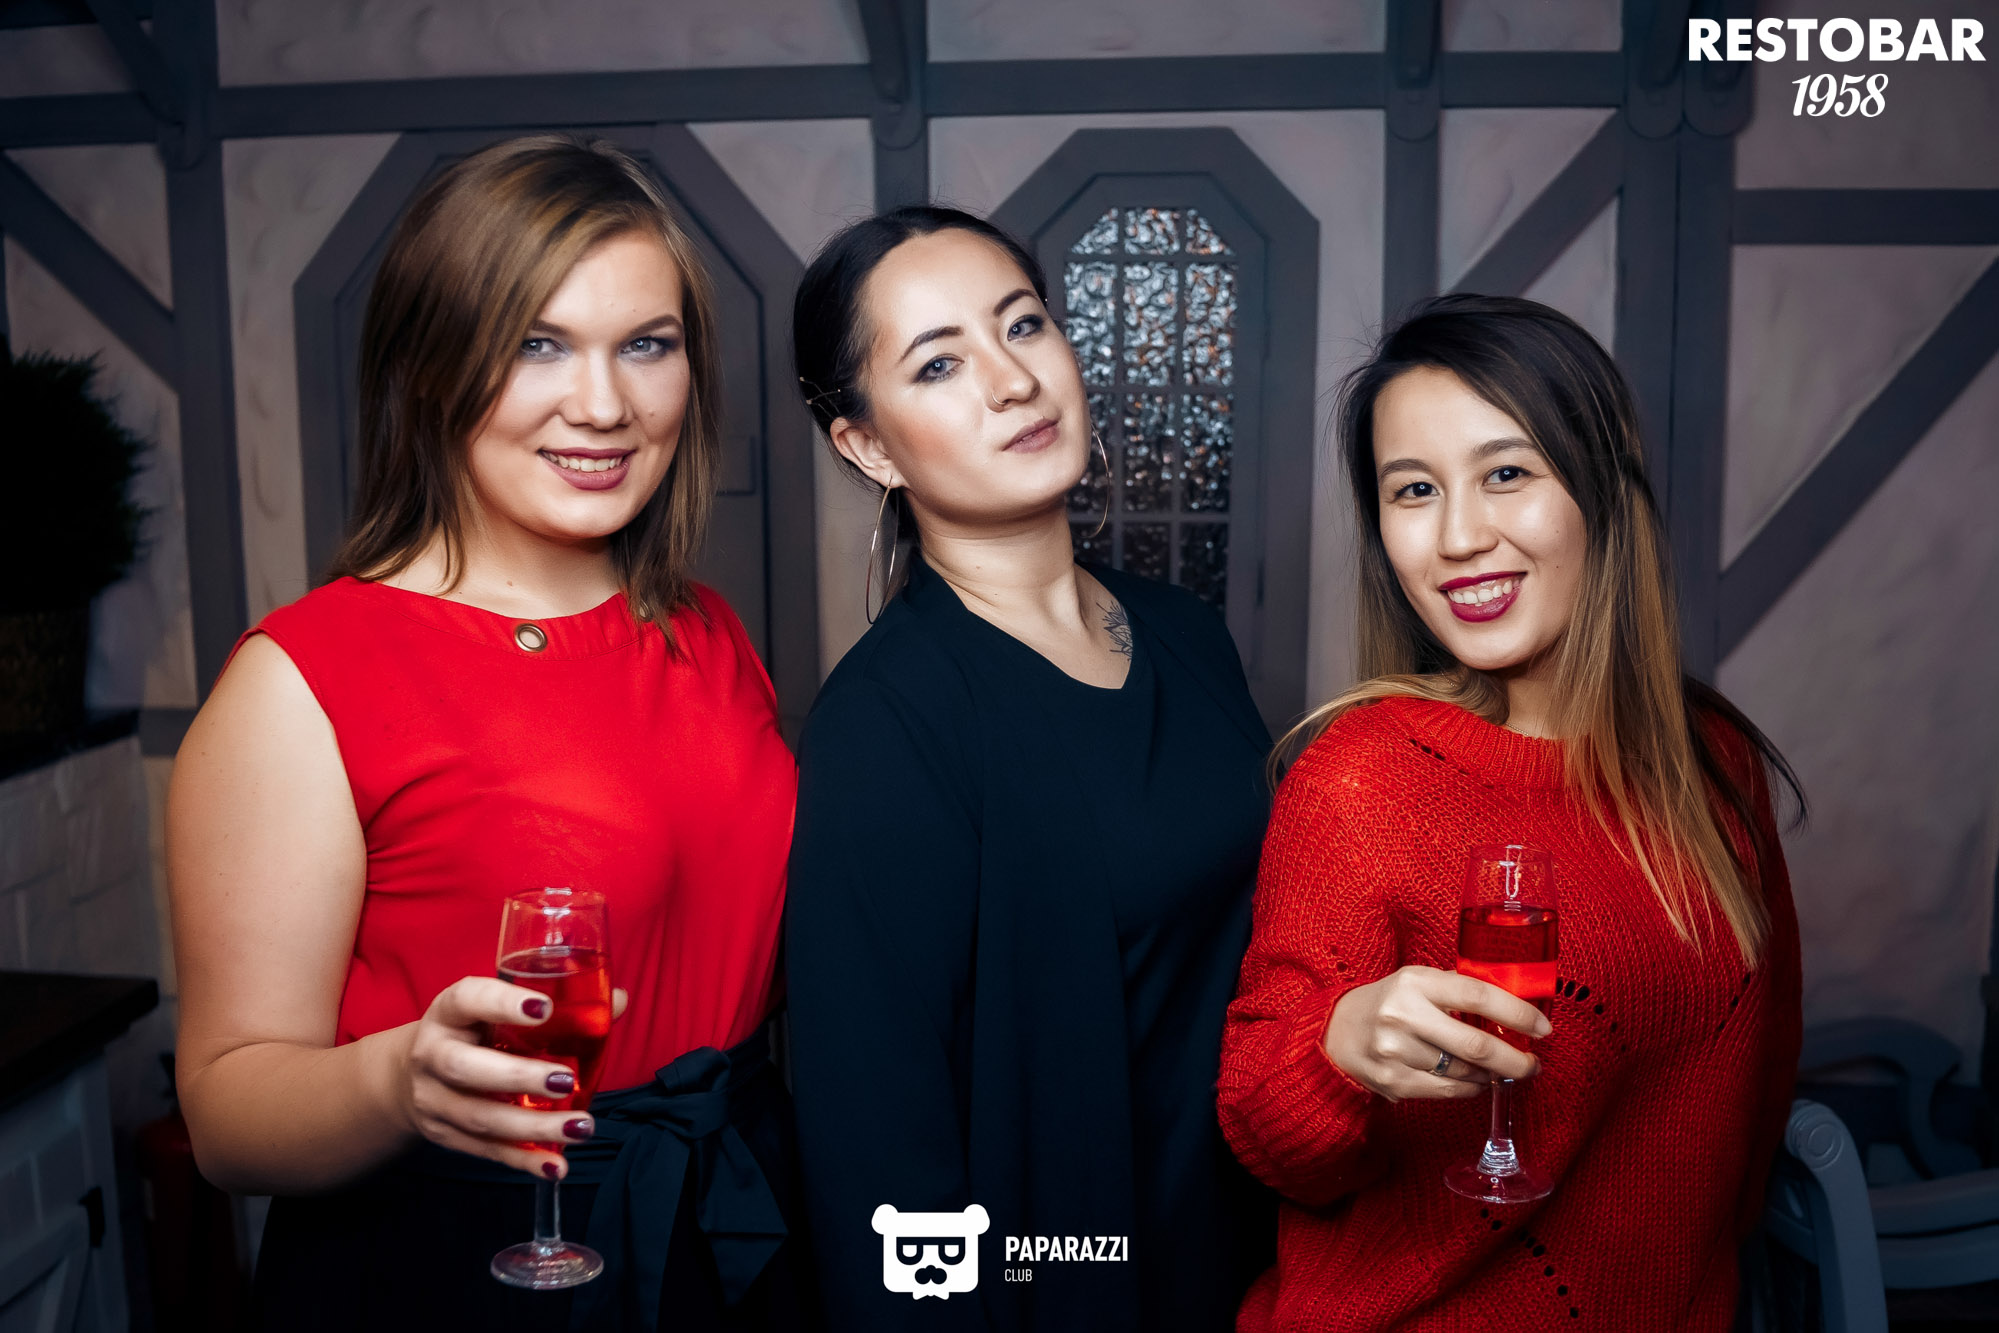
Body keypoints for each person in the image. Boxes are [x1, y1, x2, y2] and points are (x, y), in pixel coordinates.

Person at [168, 135, 811, 1332]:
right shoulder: (303, 680)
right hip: (464, 1264)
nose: (605, 404)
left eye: (647, 344)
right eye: (535, 343)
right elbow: (224, 1117)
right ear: (427, 367)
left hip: (725, 1224)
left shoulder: (704, 632)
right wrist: (395, 1079)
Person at [1217, 293, 1805, 1330]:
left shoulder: (1712, 760)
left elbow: (1752, 1098)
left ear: (1600, 490)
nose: (1457, 536)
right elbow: (1267, 1134)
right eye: (1413, 489)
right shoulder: (1361, 777)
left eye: (1505, 473)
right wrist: (1335, 1052)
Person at [783, 206, 1275, 1331]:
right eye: (939, 363)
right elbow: (877, 1147)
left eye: (1023, 325)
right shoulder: (885, 724)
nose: (1013, 381)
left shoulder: (1185, 634)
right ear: (866, 446)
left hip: (1257, 1266)